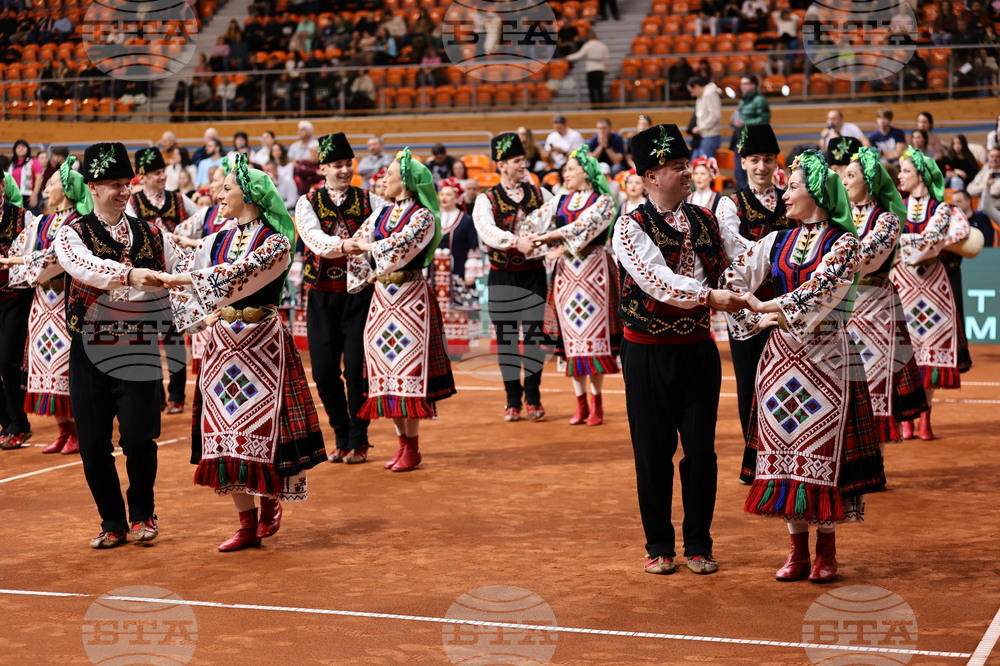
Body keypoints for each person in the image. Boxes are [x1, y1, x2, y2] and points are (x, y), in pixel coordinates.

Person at [722, 149, 886, 583]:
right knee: (782, 455)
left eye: (792, 185)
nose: (785, 191)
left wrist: (766, 307)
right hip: (779, 361)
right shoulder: (777, 240)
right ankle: (796, 549)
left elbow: (821, 291)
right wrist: (750, 316)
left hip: (827, 359)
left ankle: (826, 550)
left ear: (814, 191)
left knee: (821, 452)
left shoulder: (845, 243)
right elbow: (733, 278)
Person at [163, 154, 326, 552]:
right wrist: (154, 258)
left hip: (262, 342)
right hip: (222, 344)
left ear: (249, 195)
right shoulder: (215, 239)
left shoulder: (275, 242)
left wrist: (179, 277)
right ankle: (246, 523)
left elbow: (235, 274)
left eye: (226, 188)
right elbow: (188, 271)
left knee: (262, 430)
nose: (217, 194)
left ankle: (269, 500)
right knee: (223, 435)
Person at [612, 123, 749, 576]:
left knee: (702, 451)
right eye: (675, 167)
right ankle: (658, 544)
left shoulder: (706, 219)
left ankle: (699, 542)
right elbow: (657, 281)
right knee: (651, 451)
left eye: (686, 165)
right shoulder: (629, 227)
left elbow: (739, 262)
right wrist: (710, 297)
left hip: (696, 350)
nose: (686, 173)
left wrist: (793, 248)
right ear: (650, 177)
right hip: (647, 351)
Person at [54, 142, 183, 548]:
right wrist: (130, 275)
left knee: (139, 439)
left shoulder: (152, 233)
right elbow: (86, 268)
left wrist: (202, 311)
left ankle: (143, 513)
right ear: (92, 187)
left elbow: (180, 277)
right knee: (93, 444)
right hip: (90, 347)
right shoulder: (71, 233)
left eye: (127, 183)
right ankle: (111, 521)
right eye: (114, 184)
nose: (125, 191)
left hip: (139, 344)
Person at [342, 148, 456, 471]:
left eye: (389, 175)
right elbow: (359, 241)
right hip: (382, 298)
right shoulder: (381, 214)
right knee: (384, 375)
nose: (383, 179)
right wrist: (350, 248)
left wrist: (368, 248)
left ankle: (413, 447)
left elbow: (400, 246)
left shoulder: (422, 216)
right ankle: (402, 445)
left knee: (406, 373)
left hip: (409, 298)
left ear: (404, 181)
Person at [294, 132, 385, 464]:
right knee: (323, 372)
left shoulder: (371, 200)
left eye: (348, 164)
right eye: (337, 165)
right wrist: (343, 245)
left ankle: (358, 439)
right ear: (323, 168)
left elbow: (387, 233)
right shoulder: (308, 202)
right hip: (321, 297)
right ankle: (340, 433)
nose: (344, 170)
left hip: (360, 295)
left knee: (358, 369)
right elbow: (313, 239)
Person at [1, 157, 94, 455]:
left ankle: (78, 431)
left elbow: (58, 258)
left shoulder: (80, 223)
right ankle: (63, 431)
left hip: (69, 302)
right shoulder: (41, 221)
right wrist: (25, 268)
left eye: (51, 184)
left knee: (67, 367)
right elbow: (19, 249)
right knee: (47, 366)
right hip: (43, 304)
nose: (45, 190)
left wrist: (24, 264)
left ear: (66, 189)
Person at [841, 147, 928, 451]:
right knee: (842, 386)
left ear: (870, 182)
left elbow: (867, 259)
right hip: (843, 310)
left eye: (850, 176)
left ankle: (873, 463)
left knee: (875, 384)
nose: (844, 181)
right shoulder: (841, 217)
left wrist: (832, 263)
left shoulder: (887, 220)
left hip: (876, 310)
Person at [529, 147, 619, 426]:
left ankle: (597, 402)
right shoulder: (559, 200)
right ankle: (580, 403)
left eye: (570, 169)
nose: (565, 174)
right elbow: (532, 222)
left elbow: (583, 229)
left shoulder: (603, 201)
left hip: (595, 272)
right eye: (565, 170)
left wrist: (549, 239)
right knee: (572, 340)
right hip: (567, 273)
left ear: (587, 173)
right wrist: (536, 243)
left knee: (594, 338)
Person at [472, 133, 554, 421]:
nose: (524, 165)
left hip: (533, 273)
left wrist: (551, 244)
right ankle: (512, 399)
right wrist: (513, 241)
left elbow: (557, 220)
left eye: (523, 160)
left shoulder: (541, 193)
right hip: (502, 275)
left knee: (534, 336)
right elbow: (485, 229)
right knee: (506, 338)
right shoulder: (487, 198)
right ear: (501, 164)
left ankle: (533, 396)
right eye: (518, 161)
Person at [890, 147, 970, 440]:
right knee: (903, 353)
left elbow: (933, 241)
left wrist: (904, 244)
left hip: (931, 289)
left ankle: (925, 416)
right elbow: (925, 241)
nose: (900, 175)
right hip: (902, 286)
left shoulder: (942, 207)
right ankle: (908, 415)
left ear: (920, 175)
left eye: (905, 171)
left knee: (929, 352)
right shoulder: (896, 206)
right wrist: (919, 244)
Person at [726, 124, 794, 462]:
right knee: (749, 382)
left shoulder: (792, 199)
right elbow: (731, 246)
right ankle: (753, 456)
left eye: (768, 159)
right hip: (745, 307)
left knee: (784, 379)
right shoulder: (730, 204)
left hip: (784, 305)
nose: (762, 166)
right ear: (742, 162)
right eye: (754, 159)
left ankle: (783, 451)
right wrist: (776, 251)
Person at [125, 147, 200, 415]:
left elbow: (200, 217)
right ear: (142, 177)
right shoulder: (132, 204)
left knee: (174, 340)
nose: (162, 177)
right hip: (146, 280)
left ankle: (177, 396)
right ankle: (154, 396)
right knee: (146, 341)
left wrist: (184, 240)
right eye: (156, 173)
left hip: (173, 280)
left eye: (163, 172)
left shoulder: (179, 199)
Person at [0, 163, 33, 450]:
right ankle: (6, 421)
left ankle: (19, 422)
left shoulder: (23, 217)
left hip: (15, 298)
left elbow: (36, 254)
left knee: (7, 360)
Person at [433, 177, 482, 315]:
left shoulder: (466, 220)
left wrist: (471, 273)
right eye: (442, 194)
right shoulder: (433, 219)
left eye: (448, 195)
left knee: (463, 314)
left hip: (459, 275)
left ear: (457, 198)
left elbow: (473, 247)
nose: (444, 197)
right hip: (435, 275)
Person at [731, 76, 771, 189]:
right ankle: (742, 198)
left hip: (753, 141)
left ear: (753, 85)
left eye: (746, 83)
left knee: (750, 171)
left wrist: (744, 123)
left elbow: (764, 120)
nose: (742, 86)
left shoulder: (760, 100)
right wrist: (734, 121)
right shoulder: (742, 101)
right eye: (741, 84)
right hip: (739, 140)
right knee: (739, 172)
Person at [565, 29, 610, 106]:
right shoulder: (602, 45)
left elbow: (579, 55)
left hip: (591, 70)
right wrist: (607, 69)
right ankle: (601, 106)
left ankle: (594, 107)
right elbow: (606, 59)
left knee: (592, 89)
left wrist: (568, 57)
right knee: (599, 88)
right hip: (600, 69)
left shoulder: (588, 45)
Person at [687, 76, 723, 160]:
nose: (692, 94)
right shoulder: (701, 96)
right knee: (695, 163)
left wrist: (701, 127)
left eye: (692, 91)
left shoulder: (710, 94)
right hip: (702, 135)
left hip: (710, 135)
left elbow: (715, 115)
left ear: (696, 86)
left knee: (706, 165)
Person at [9, 140, 45, 211]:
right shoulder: (12, 165)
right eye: (18, 147)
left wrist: (34, 195)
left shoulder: (34, 162)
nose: (21, 149)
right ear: (15, 150)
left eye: (23, 147)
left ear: (27, 149)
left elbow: (39, 178)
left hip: (30, 195)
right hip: (16, 196)